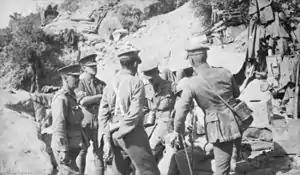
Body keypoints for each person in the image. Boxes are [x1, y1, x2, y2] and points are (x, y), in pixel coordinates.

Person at [171, 37, 244, 175]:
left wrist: (177, 131)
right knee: (230, 160)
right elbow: (236, 93)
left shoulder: (192, 83)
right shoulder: (225, 72)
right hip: (237, 122)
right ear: (206, 56)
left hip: (218, 129)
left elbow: (181, 110)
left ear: (191, 60)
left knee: (222, 170)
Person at [98, 47, 160, 175]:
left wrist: (108, 136)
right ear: (135, 63)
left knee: (120, 171)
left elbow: (102, 115)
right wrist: (121, 132)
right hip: (130, 132)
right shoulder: (136, 82)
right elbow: (134, 114)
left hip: (113, 132)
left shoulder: (110, 84)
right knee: (148, 170)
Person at [140, 58, 177, 163]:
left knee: (152, 148)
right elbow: (144, 108)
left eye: (152, 78)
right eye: (148, 79)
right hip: (150, 124)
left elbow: (180, 106)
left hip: (166, 122)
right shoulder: (146, 89)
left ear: (157, 73)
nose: (150, 81)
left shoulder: (171, 87)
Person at [51, 64, 85, 175]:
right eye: (74, 77)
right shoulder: (61, 98)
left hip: (73, 147)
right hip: (65, 149)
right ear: (65, 78)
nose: (78, 80)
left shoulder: (71, 96)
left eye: (78, 77)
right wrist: (63, 149)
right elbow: (59, 126)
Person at [75, 54, 106, 175]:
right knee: (82, 152)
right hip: (85, 122)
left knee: (99, 153)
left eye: (95, 66)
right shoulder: (80, 83)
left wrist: (93, 99)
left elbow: (108, 99)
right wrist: (99, 97)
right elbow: (83, 101)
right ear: (84, 68)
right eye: (91, 66)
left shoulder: (101, 84)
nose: (94, 68)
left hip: (98, 122)